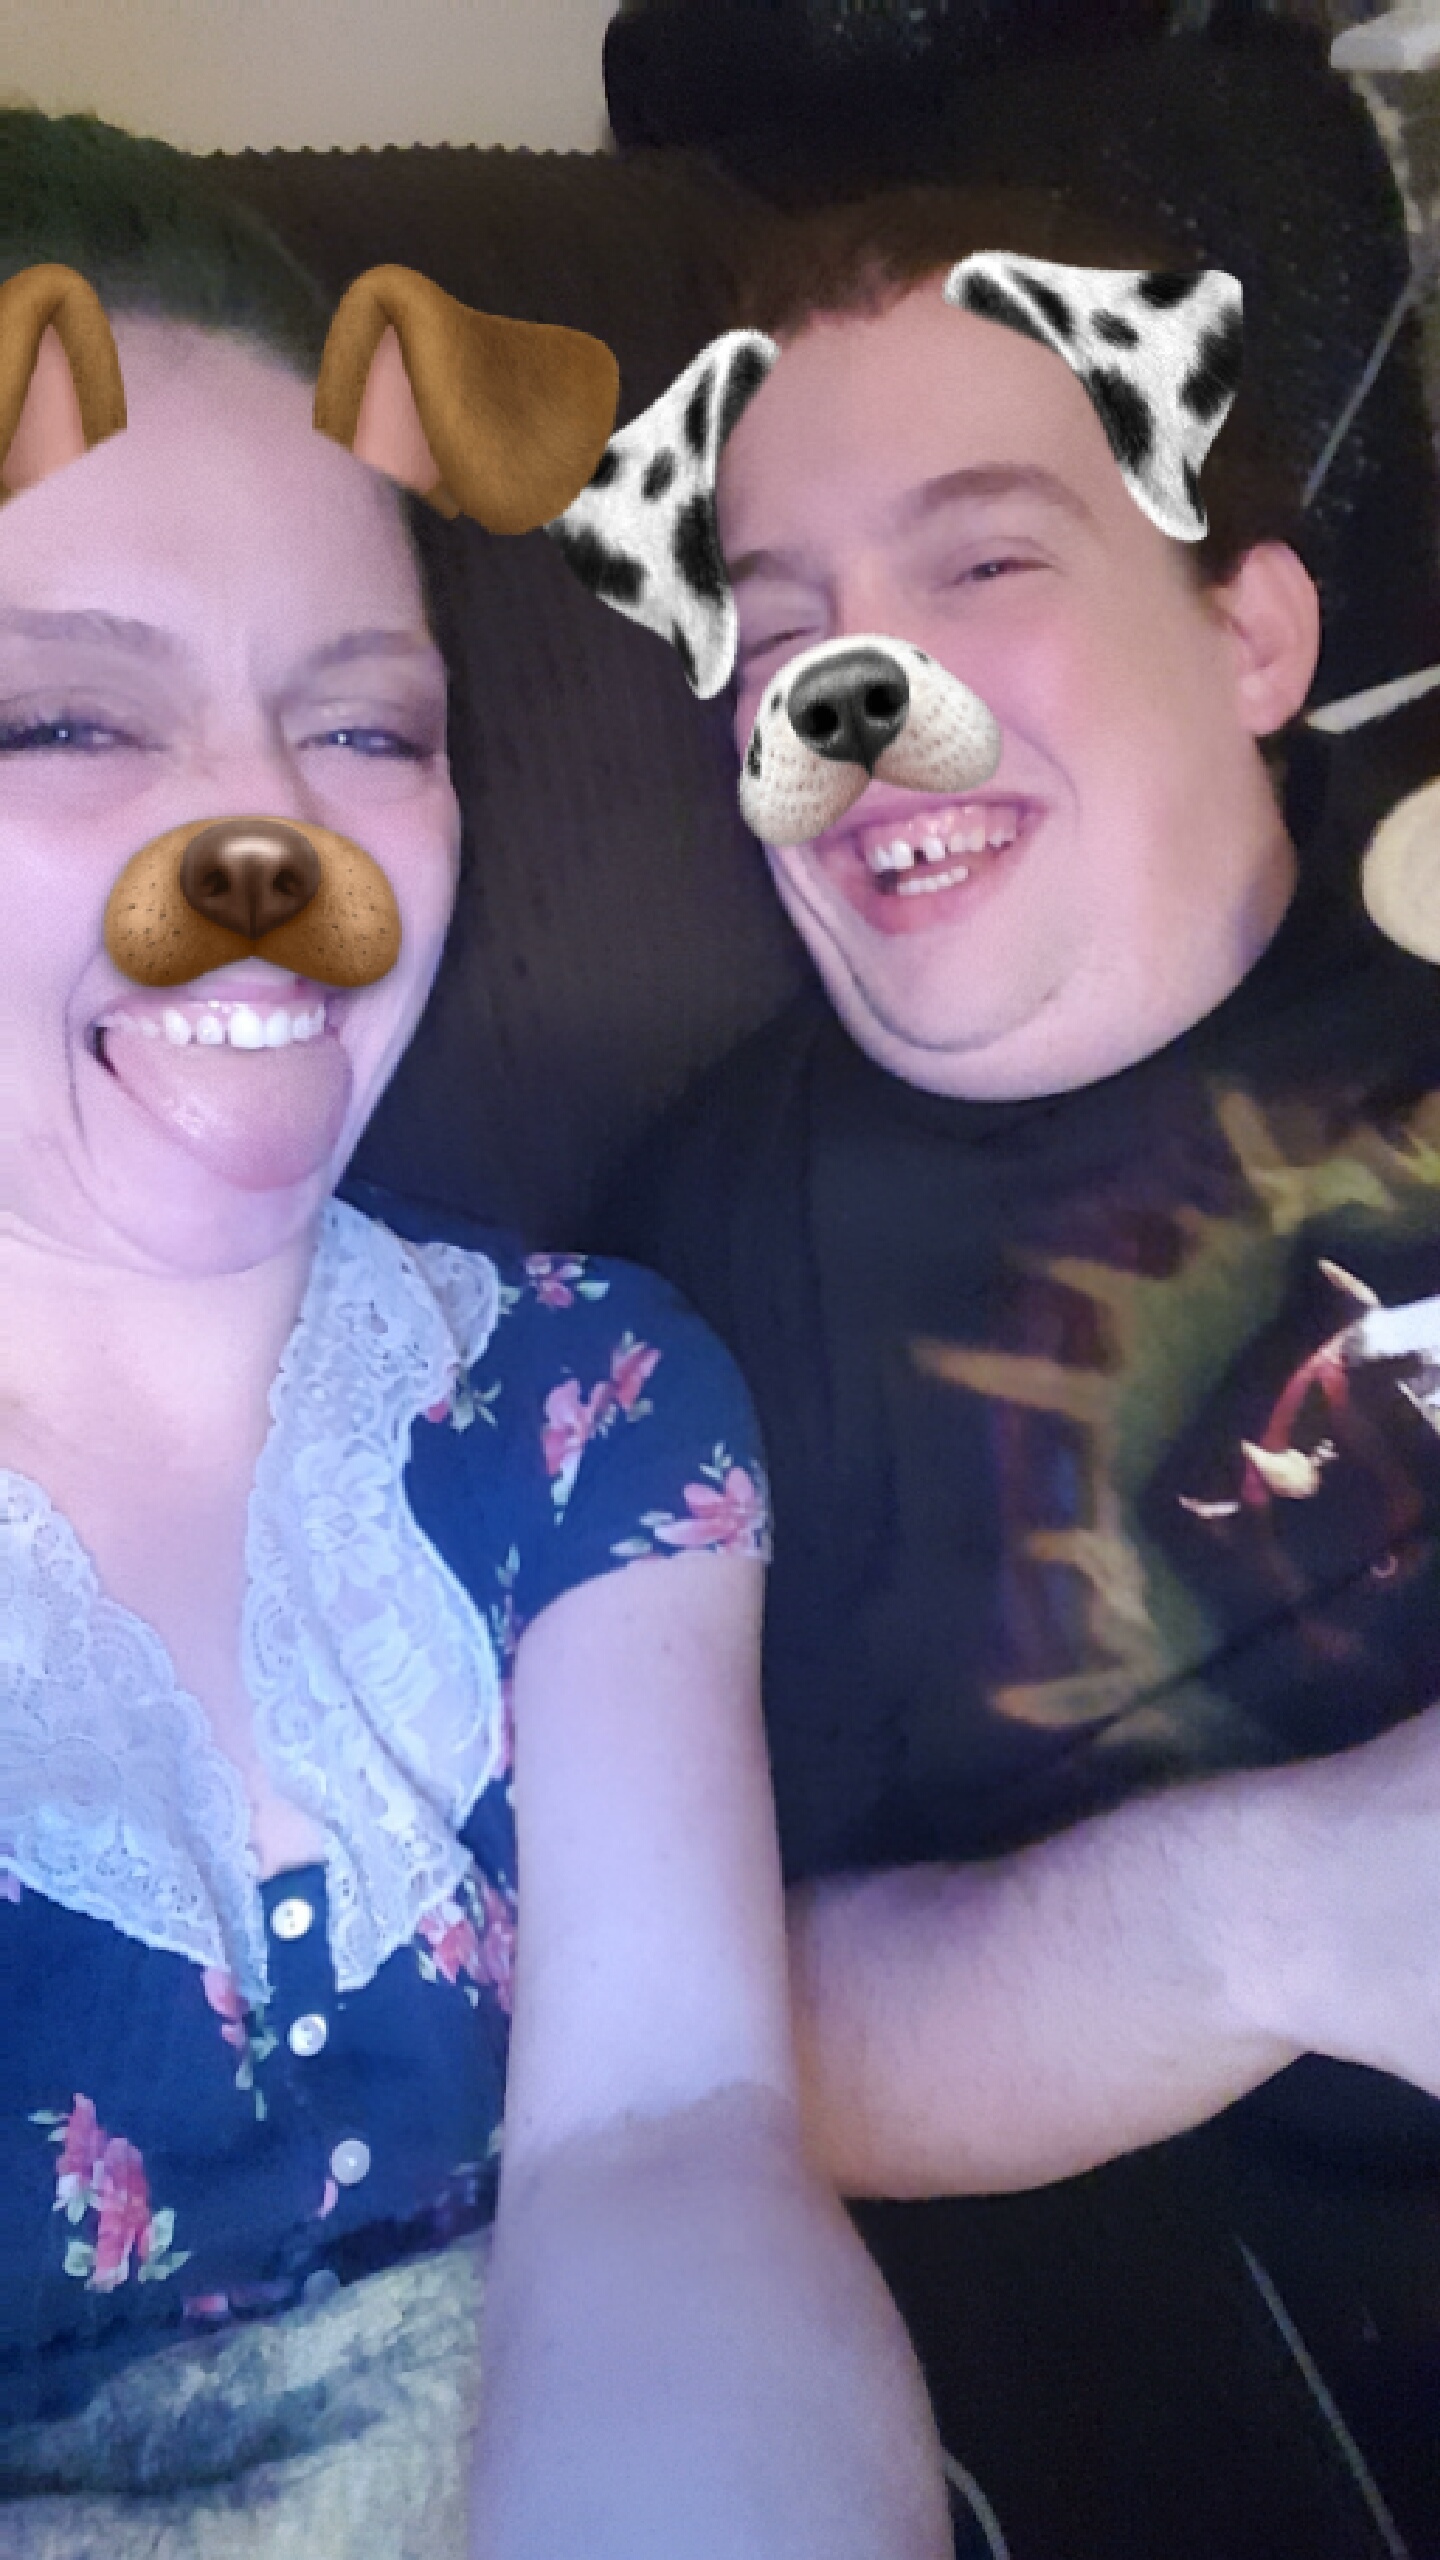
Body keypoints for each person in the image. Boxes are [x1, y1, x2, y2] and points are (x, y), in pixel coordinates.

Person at [0, 111, 954, 2560]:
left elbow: (665, 2140)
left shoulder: (585, 1401)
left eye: (368, 727)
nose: (277, 848)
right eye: (68, 722)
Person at [594, 178, 1440, 2560]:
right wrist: (1298, 1909)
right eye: (781, 630)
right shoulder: (677, 1313)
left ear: (1252, 630)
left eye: (982, 560)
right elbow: (693, 2051)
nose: (854, 692)